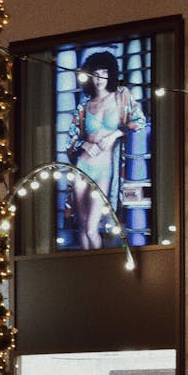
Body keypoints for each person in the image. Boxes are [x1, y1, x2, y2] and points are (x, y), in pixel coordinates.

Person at [66, 50, 145, 250]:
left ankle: (98, 268)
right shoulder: (84, 106)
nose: (99, 78)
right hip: (82, 166)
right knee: (82, 227)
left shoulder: (121, 96)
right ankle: (87, 271)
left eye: (103, 72)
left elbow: (139, 121)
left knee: (93, 228)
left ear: (110, 73)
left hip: (105, 168)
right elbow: (71, 137)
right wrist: (85, 144)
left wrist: (115, 134)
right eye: (94, 73)